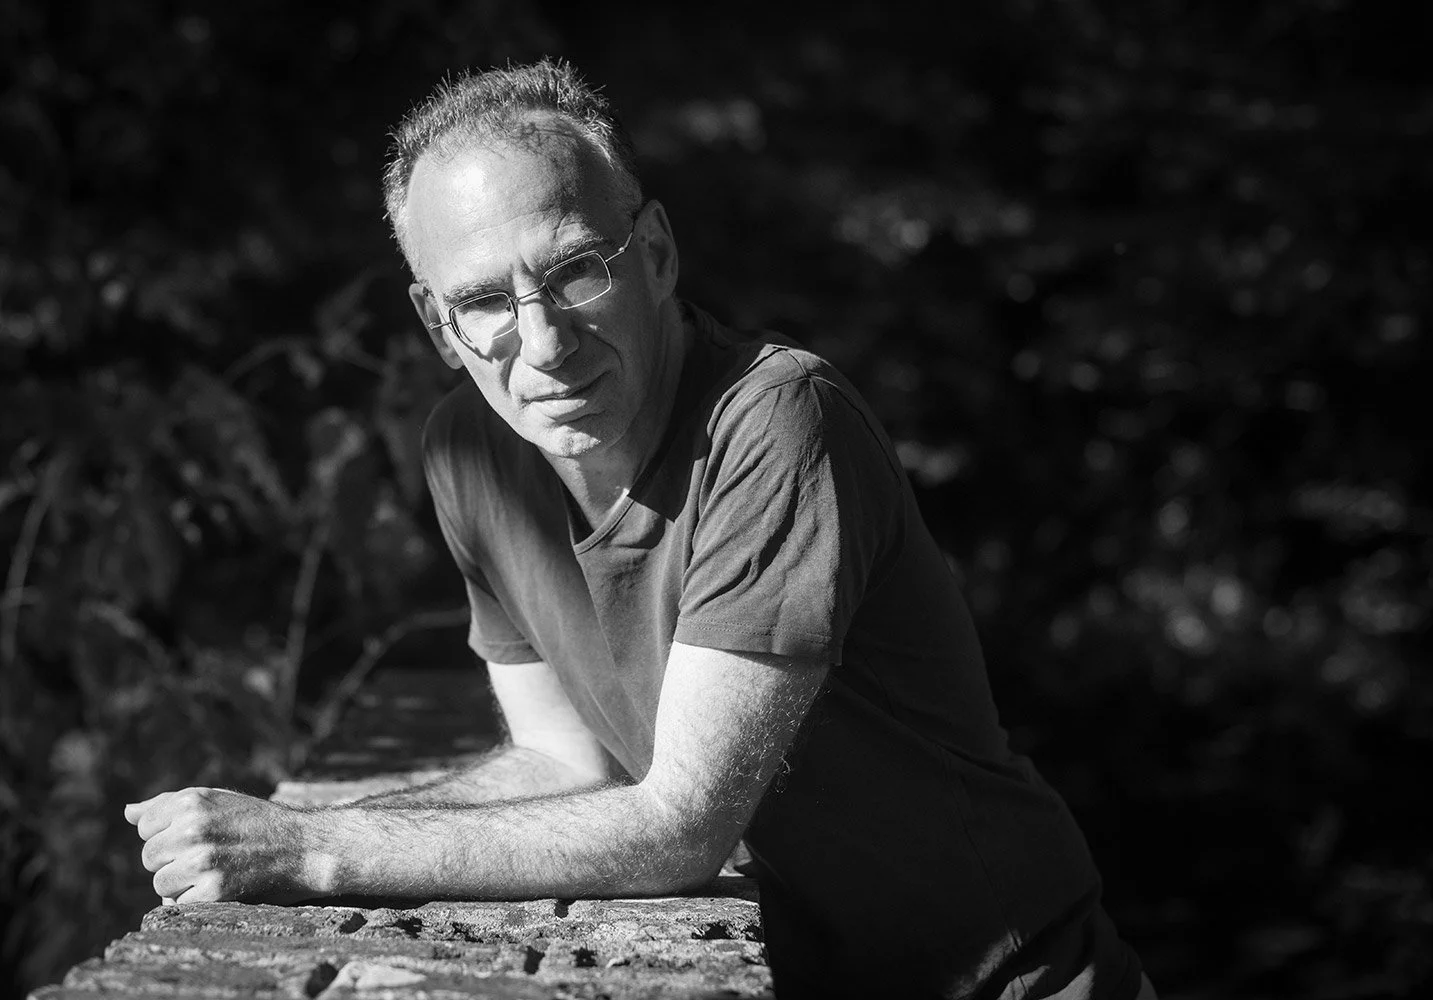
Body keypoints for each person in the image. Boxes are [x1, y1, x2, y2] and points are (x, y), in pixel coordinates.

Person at [125, 59, 1154, 1000]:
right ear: (438, 326)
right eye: (483, 299)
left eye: (575, 270)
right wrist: (305, 829)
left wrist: (308, 851)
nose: (542, 341)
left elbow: (679, 827)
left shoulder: (778, 418)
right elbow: (567, 764)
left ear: (655, 253)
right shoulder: (472, 453)